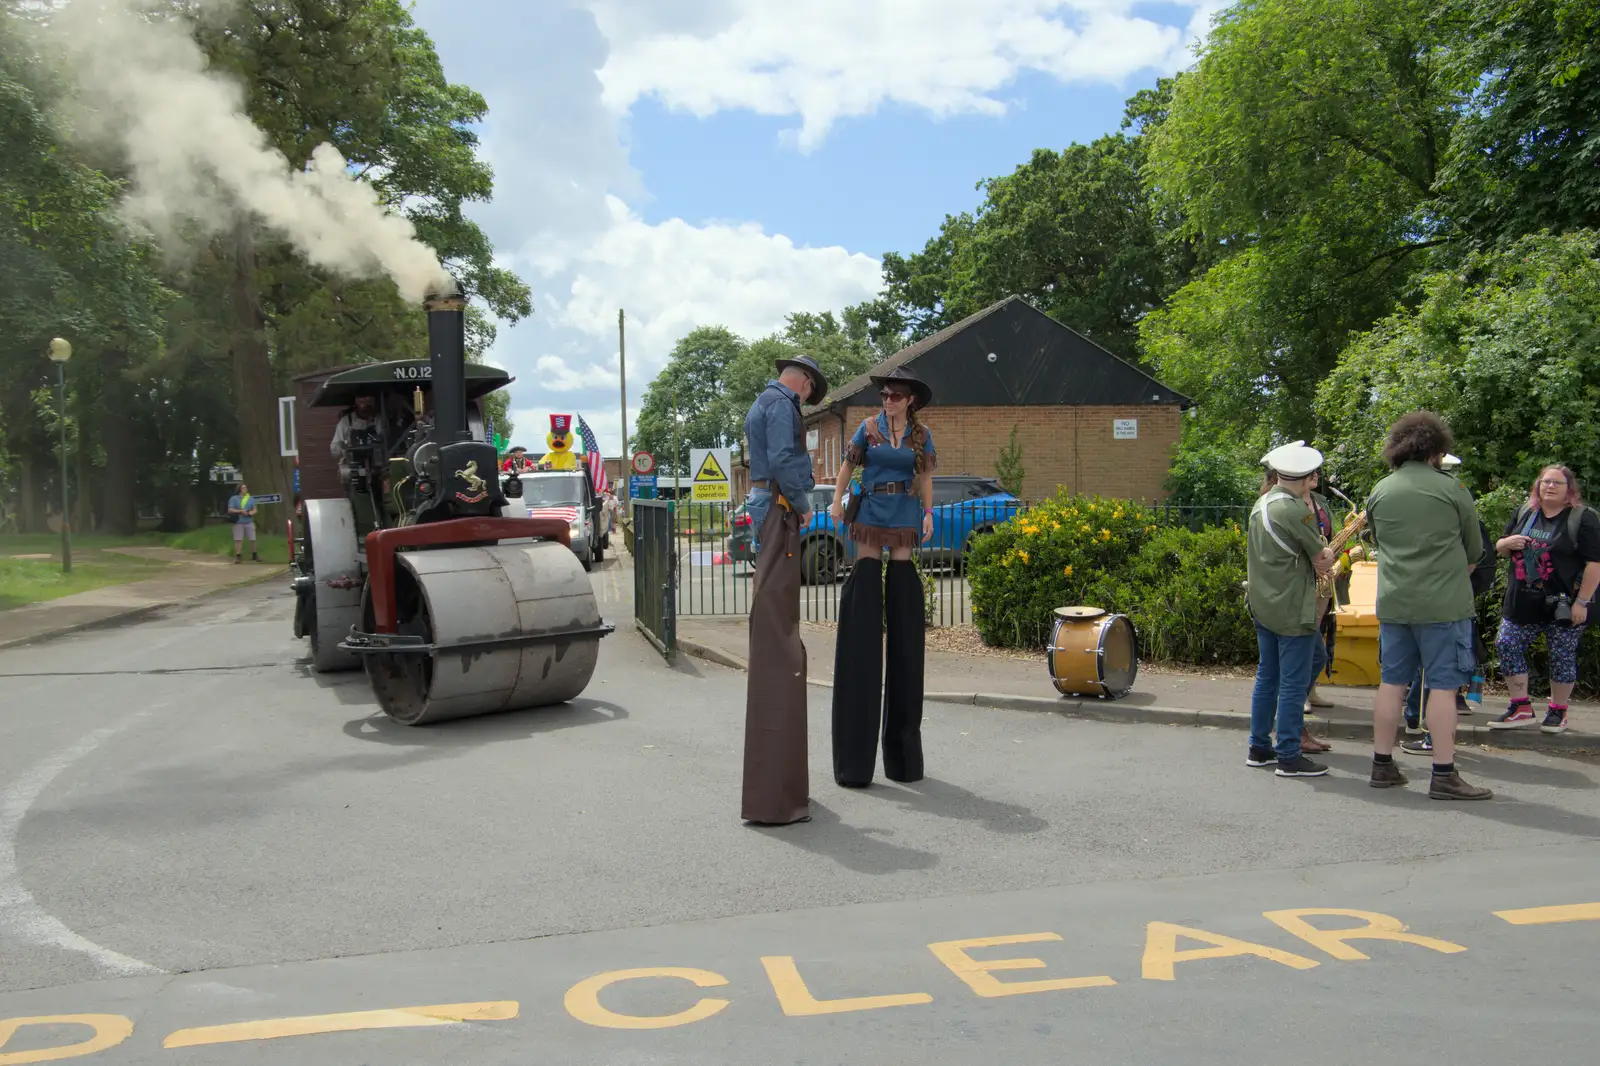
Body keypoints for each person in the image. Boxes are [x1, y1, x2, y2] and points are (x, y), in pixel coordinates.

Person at [1364, 412, 1490, 800]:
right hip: (1443, 606)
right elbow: (1475, 551)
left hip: (1395, 603)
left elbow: (1379, 544)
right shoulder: (1451, 489)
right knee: (1443, 686)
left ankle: (1382, 765)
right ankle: (1443, 773)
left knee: (1392, 683)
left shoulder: (1381, 490)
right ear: (1437, 449)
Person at [826, 366, 936, 788]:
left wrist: (927, 513)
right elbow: (845, 468)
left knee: (904, 590)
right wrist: (837, 502)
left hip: (904, 512)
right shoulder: (866, 429)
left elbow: (925, 476)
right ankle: (857, 762)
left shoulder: (921, 437)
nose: (887, 400)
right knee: (868, 581)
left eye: (894, 395)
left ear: (910, 400)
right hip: (870, 510)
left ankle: (902, 759)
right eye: (884, 394)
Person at [740, 353, 829, 826]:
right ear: (805, 383)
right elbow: (784, 459)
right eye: (810, 390)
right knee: (779, 633)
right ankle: (779, 794)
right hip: (778, 507)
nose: (807, 397)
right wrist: (802, 500)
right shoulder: (784, 405)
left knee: (774, 626)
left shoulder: (762, 401)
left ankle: (779, 789)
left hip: (766, 504)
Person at [1487, 464, 1600, 735]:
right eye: (1545, 481)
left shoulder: (1582, 519)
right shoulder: (1527, 513)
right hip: (1523, 600)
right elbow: (1500, 547)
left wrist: (1582, 603)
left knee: (1561, 655)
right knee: (1506, 643)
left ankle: (1558, 711)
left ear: (1569, 489)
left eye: (1557, 483)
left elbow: (1594, 564)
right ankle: (1520, 706)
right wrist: (1507, 542)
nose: (1549, 486)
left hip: (1565, 603)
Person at [1245, 442, 1335, 778]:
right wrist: (1324, 554)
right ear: (1306, 477)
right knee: (1294, 683)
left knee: (1267, 677)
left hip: (1263, 603)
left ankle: (1259, 746)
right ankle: (1287, 754)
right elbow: (1322, 556)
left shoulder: (1261, 503)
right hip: (1291, 606)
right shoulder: (1297, 510)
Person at [1399, 453, 1491, 755]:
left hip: (1410, 600)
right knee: (1439, 677)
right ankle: (1429, 734)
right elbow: (1474, 554)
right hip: (1446, 602)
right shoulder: (1459, 506)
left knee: (1418, 674)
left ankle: (1416, 729)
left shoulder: (1405, 507)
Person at [331, 394, 380, 472]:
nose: (365, 402)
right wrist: (344, 448)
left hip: (376, 466)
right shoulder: (346, 422)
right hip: (353, 467)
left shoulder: (378, 420)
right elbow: (334, 449)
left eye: (369, 399)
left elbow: (386, 440)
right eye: (362, 400)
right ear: (356, 402)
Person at [228, 482, 258, 563]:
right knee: (238, 539)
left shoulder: (250, 498)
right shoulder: (234, 498)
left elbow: (255, 509)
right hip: (238, 522)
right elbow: (230, 509)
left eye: (246, 488)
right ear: (239, 490)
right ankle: (238, 556)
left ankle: (254, 555)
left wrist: (252, 512)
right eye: (243, 488)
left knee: (253, 539)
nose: (245, 489)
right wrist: (240, 511)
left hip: (249, 521)